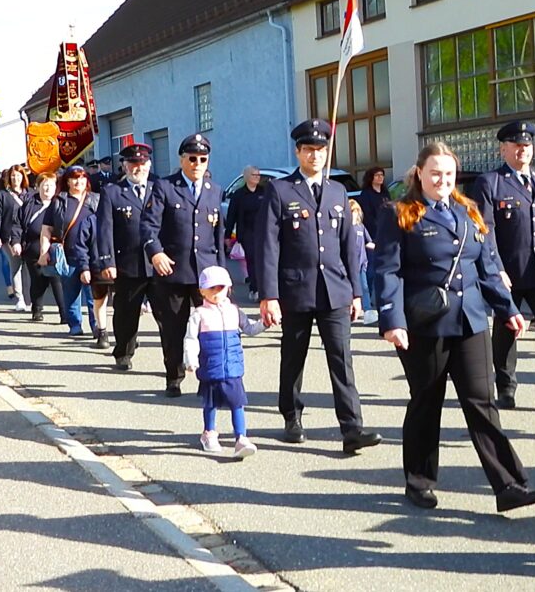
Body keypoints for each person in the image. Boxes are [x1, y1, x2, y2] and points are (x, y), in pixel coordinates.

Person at [374, 141, 535, 512]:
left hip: (470, 321)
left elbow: (487, 267)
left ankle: (509, 485)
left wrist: (508, 308)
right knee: (426, 401)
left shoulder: (468, 212)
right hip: (425, 325)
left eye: (448, 173)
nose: (442, 180)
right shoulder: (401, 213)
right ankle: (419, 481)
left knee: (482, 402)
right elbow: (388, 271)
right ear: (419, 173)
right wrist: (392, 320)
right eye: (435, 173)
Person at [255, 119, 381, 453]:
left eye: (321, 149)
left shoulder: (337, 191)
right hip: (295, 290)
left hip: (335, 290)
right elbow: (268, 246)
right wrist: (269, 296)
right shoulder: (280, 191)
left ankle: (352, 428)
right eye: (309, 149)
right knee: (293, 358)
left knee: (341, 360)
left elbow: (349, 248)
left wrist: (356, 292)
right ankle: (292, 416)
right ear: (298, 152)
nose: (315, 155)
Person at [472, 120, 535, 412]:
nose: (523, 151)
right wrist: (496, 269)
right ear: (503, 149)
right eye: (516, 146)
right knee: (506, 330)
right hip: (509, 271)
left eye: (527, 146)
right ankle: (505, 389)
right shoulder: (490, 182)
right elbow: (486, 229)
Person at [141, 133, 228, 397]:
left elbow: (219, 236)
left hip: (206, 273)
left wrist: (223, 277)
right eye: (192, 158)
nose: (197, 163)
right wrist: (155, 253)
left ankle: (209, 378)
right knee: (173, 327)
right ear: (182, 159)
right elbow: (148, 226)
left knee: (211, 328)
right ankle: (174, 376)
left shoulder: (215, 191)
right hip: (174, 270)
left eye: (202, 159)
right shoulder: (165, 187)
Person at [183, 266, 264, 459]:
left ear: (228, 288)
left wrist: (265, 322)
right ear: (202, 290)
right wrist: (191, 360)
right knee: (210, 403)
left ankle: (241, 437)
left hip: (233, 368)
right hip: (210, 366)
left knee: (238, 403)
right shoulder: (199, 314)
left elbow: (250, 328)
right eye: (212, 289)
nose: (217, 293)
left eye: (221, 288)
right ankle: (209, 433)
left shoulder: (234, 311)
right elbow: (191, 339)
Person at [96, 143, 159, 371]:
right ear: (124, 165)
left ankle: (174, 358)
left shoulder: (158, 189)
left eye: (142, 164)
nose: (138, 168)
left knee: (167, 315)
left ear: (149, 165)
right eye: (133, 163)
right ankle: (123, 351)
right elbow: (105, 230)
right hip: (127, 264)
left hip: (157, 264)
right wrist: (107, 261)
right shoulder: (112, 192)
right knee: (126, 313)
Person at [39, 166, 101, 336]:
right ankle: (75, 324)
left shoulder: (96, 200)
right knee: (71, 292)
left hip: (92, 255)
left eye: (82, 178)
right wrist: (44, 252)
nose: (78, 182)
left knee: (93, 293)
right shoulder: (59, 201)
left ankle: (97, 325)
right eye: (74, 178)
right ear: (67, 181)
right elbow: (46, 229)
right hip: (67, 255)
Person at [12, 173, 64, 323]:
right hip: (33, 248)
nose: (48, 188)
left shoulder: (60, 203)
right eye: (44, 185)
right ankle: (37, 309)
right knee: (38, 280)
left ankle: (64, 313)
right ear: (38, 187)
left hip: (56, 248)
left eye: (51, 185)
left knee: (57, 280)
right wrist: (16, 241)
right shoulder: (29, 204)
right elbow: (17, 225)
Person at [0, 165, 34, 311]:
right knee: (16, 265)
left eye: (19, 176)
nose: (16, 179)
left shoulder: (30, 194)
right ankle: (20, 297)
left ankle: (29, 298)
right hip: (8, 235)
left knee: (28, 267)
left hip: (27, 235)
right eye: (13, 176)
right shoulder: (1, 195)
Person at [223, 165, 267, 302]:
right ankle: (254, 289)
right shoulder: (239, 195)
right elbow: (231, 216)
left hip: (264, 233)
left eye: (258, 175)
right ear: (247, 177)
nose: (257, 177)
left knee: (264, 262)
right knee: (252, 261)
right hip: (247, 233)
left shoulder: (264, 192)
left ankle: (264, 289)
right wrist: (228, 236)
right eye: (254, 175)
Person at [355, 166, 390, 310]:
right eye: (377, 175)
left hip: (386, 235)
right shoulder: (366, 194)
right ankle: (368, 298)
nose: (380, 178)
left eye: (382, 175)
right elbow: (367, 217)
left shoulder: (385, 193)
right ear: (371, 177)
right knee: (370, 268)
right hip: (371, 235)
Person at [349, 199, 377, 324]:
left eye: (355, 211)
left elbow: (368, 242)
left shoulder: (361, 227)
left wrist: (381, 248)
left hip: (361, 264)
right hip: (348, 266)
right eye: (351, 211)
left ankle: (368, 312)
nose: (354, 214)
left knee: (364, 288)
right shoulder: (345, 228)